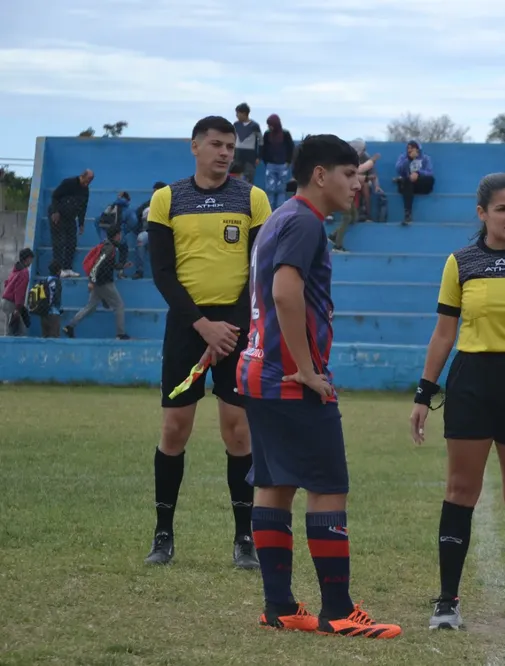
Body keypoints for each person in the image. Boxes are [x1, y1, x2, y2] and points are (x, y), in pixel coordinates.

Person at [237, 134, 402, 638]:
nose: (358, 184)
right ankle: (337, 610)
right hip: (288, 378)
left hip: (257, 370)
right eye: (350, 174)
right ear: (320, 175)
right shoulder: (305, 222)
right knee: (329, 487)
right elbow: (287, 294)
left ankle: (280, 606)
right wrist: (308, 370)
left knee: (276, 483)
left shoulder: (282, 218)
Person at [409, 172, 505, 635]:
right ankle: (447, 601)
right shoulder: (461, 261)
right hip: (472, 381)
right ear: (482, 214)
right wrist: (424, 392)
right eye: (502, 209)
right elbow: (444, 334)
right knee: (461, 489)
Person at [144, 115, 272, 568]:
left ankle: (244, 539)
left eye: (230, 147)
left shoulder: (254, 198)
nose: (224, 153)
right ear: (194, 146)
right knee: (175, 430)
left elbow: (261, 271)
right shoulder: (166, 200)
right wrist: (202, 325)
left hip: (236, 329)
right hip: (186, 326)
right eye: (216, 144)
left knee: (238, 433)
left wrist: (228, 329)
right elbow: (162, 273)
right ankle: (163, 534)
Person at [61, 225, 130, 340]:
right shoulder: (110, 248)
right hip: (104, 282)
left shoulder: (108, 246)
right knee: (119, 305)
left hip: (99, 282)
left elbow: (108, 265)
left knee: (90, 307)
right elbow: (98, 264)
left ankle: (70, 326)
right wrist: (91, 280)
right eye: (120, 234)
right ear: (117, 235)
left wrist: (122, 266)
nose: (121, 236)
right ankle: (120, 334)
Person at [49, 169, 93, 277]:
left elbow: (83, 208)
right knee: (59, 242)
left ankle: (67, 268)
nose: (87, 183)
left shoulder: (85, 190)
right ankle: (57, 270)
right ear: (82, 176)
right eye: (87, 180)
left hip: (70, 217)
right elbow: (55, 196)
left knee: (72, 242)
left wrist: (81, 223)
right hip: (58, 215)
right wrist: (55, 211)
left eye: (90, 181)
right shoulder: (69, 183)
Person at [394, 140, 434, 225]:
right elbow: (399, 169)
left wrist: (418, 173)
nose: (409, 150)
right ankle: (408, 214)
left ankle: (402, 179)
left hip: (420, 184)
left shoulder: (425, 158)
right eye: (408, 148)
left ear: (418, 149)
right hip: (407, 185)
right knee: (407, 180)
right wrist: (409, 159)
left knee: (431, 179)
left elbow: (429, 172)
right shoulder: (403, 157)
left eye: (412, 148)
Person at [262, 114, 295, 209]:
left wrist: (288, 161)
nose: (269, 127)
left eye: (270, 124)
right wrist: (266, 161)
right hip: (270, 165)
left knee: (281, 189)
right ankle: (269, 210)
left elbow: (290, 148)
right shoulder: (267, 134)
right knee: (270, 189)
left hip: (282, 165)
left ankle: (279, 210)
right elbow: (264, 148)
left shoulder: (285, 134)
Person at [1, 248, 34, 336]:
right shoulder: (24, 272)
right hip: (12, 302)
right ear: (27, 259)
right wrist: (18, 307)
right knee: (18, 331)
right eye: (31, 259)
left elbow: (7, 283)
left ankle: (5, 346)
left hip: (5, 301)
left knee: (10, 327)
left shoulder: (16, 268)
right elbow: (20, 291)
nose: (31, 262)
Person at [234, 102, 263, 183]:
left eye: (238, 113)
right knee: (236, 177)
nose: (236, 115)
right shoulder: (236, 125)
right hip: (237, 154)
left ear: (244, 113)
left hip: (250, 156)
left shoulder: (254, 126)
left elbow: (261, 141)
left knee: (249, 177)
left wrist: (259, 156)